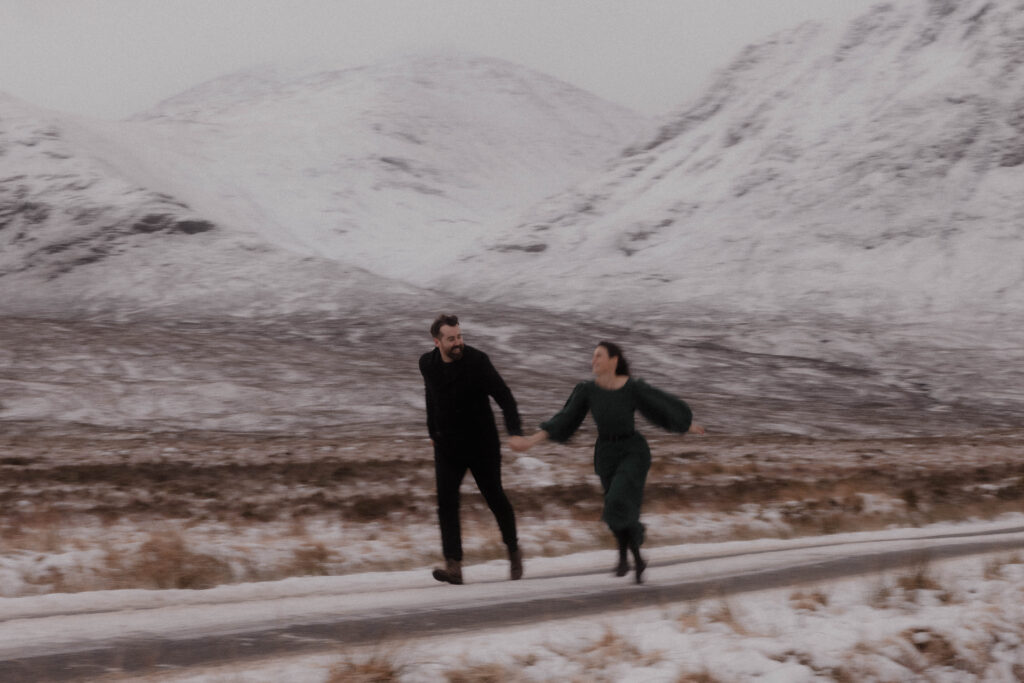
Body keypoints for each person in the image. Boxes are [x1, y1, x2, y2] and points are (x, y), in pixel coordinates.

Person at [509, 341, 704, 584]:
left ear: (614, 360)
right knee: (616, 508)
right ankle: (633, 557)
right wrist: (530, 441)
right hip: (606, 454)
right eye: (593, 357)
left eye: (599, 356)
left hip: (633, 451)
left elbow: (659, 406)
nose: (594, 361)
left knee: (617, 500)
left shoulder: (632, 388)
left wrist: (685, 424)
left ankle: (629, 556)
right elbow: (565, 418)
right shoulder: (587, 391)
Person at [419, 313, 524, 585]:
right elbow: (430, 396)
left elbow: (504, 396)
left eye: (460, 336)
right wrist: (432, 432)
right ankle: (454, 565)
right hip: (447, 446)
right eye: (451, 339)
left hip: (482, 445)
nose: (458, 343)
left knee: (495, 498)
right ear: (437, 341)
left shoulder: (477, 362)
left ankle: (513, 549)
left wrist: (514, 431)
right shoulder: (427, 364)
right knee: (446, 503)